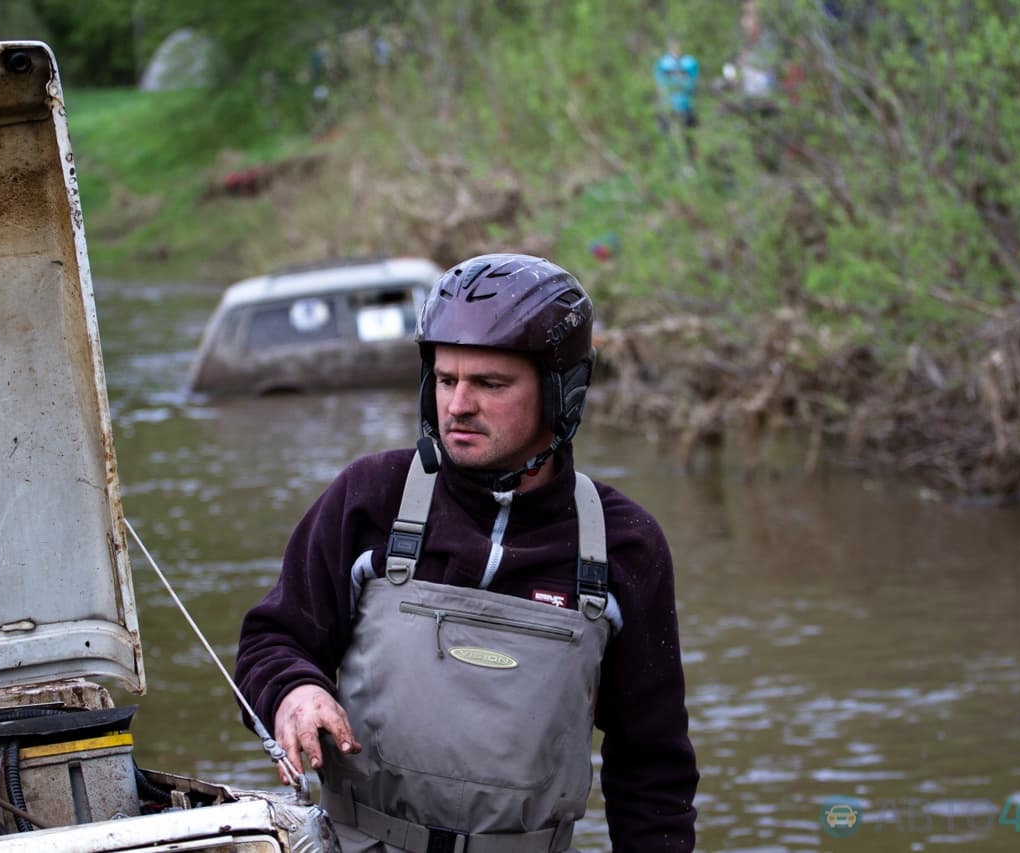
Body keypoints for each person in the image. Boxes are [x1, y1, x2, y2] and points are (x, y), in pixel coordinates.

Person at [234, 253, 699, 851]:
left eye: (490, 384)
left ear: (563, 393)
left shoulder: (625, 544)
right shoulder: (369, 497)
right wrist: (294, 690)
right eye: (447, 380)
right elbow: (272, 641)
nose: (457, 406)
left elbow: (652, 769)